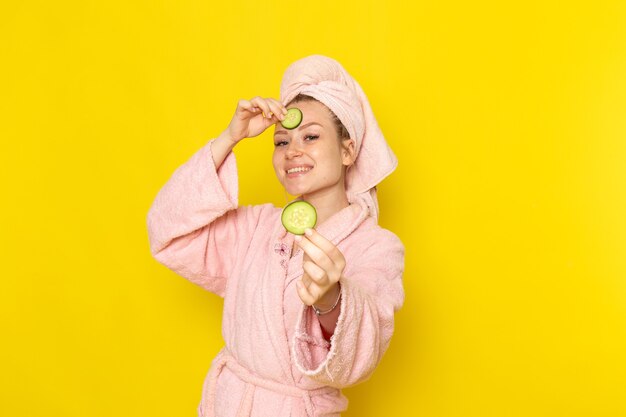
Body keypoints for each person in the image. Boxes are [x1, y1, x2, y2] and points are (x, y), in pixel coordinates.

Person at [146, 55, 405, 417]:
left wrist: (331, 297)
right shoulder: (255, 227)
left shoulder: (377, 246)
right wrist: (230, 137)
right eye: (281, 142)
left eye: (310, 137)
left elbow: (362, 352)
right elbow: (166, 230)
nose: (292, 151)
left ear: (348, 150)